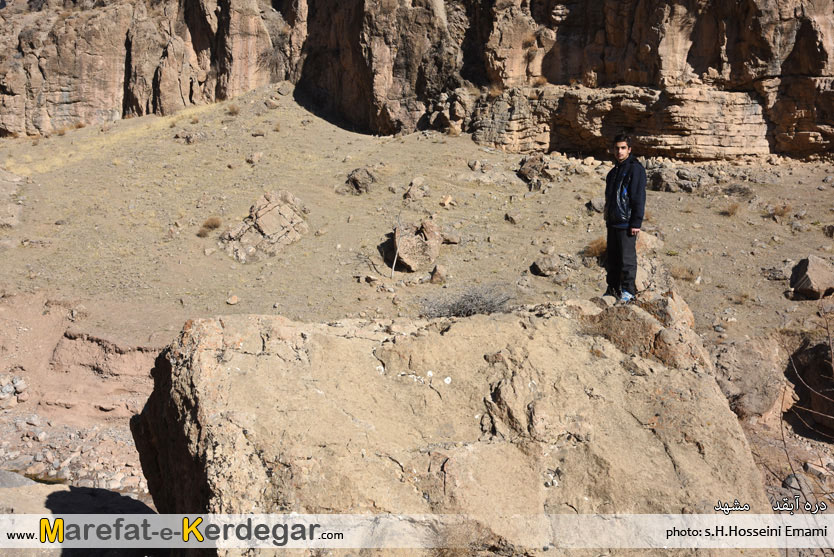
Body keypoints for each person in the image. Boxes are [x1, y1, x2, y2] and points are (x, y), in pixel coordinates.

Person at [603, 133, 646, 303]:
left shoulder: (635, 169)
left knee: (627, 259)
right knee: (612, 259)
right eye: (617, 148)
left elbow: (638, 197)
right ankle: (612, 289)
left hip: (627, 223)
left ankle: (628, 291)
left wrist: (636, 222)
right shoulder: (613, 172)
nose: (619, 151)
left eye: (623, 148)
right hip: (613, 221)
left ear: (629, 149)